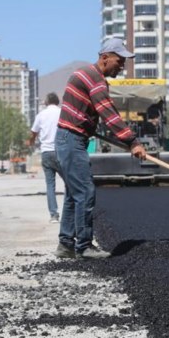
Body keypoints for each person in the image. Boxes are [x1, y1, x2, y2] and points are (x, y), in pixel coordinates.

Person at [54, 38, 147, 260]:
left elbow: (93, 113)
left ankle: (66, 244)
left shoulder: (86, 75)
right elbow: (108, 112)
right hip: (71, 140)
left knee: (73, 194)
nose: (122, 66)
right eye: (119, 60)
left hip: (70, 139)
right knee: (85, 191)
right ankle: (84, 246)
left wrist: (90, 124)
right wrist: (132, 141)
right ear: (105, 58)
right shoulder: (94, 78)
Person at [28, 92, 63, 223]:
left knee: (50, 185)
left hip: (47, 153)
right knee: (70, 183)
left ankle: (54, 215)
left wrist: (31, 141)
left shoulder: (41, 115)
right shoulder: (62, 113)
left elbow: (33, 132)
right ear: (58, 102)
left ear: (46, 103)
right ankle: (72, 212)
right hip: (61, 151)